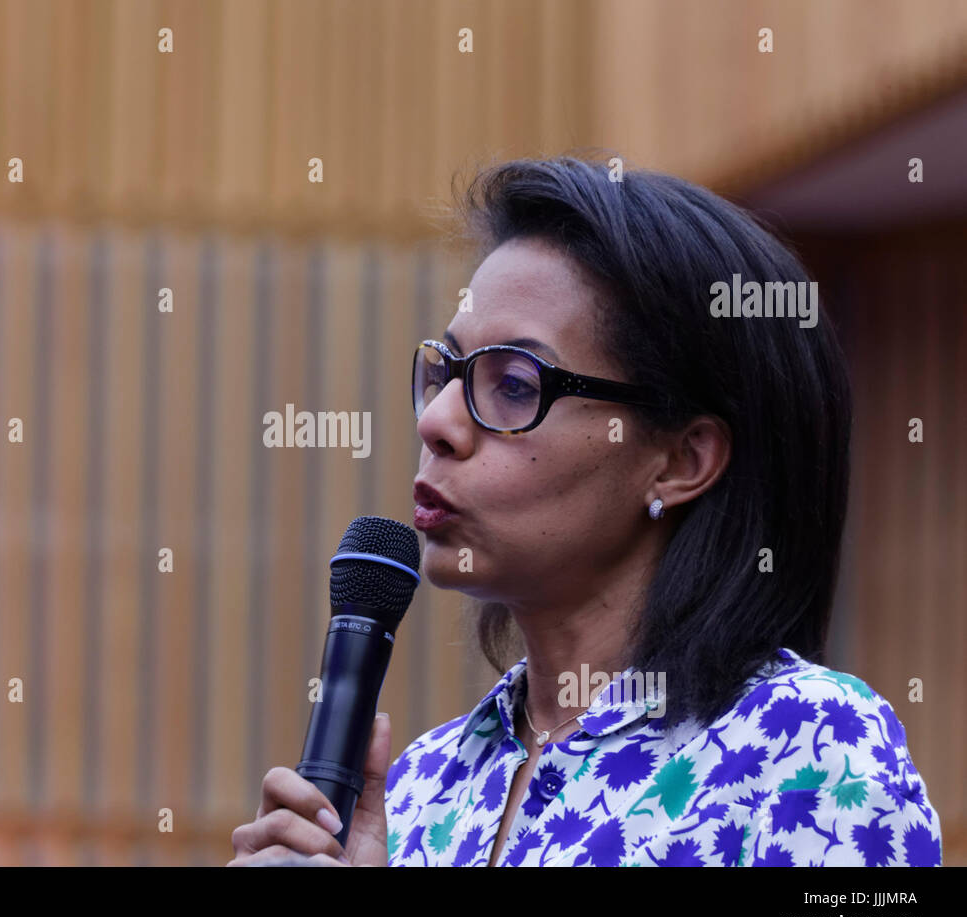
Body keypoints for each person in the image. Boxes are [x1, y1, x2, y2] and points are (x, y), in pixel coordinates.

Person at [227, 156, 941, 867]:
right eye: (444, 372)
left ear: (680, 462)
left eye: (512, 383)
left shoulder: (807, 748)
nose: (438, 420)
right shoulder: (423, 786)